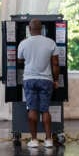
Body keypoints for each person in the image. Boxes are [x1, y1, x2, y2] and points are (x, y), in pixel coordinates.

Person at [17, 18, 60, 148]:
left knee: (32, 109)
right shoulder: (51, 43)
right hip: (46, 80)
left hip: (29, 79)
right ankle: (48, 140)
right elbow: (56, 64)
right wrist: (56, 80)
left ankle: (34, 140)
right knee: (45, 109)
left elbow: (19, 61)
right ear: (41, 29)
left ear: (29, 29)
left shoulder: (23, 43)